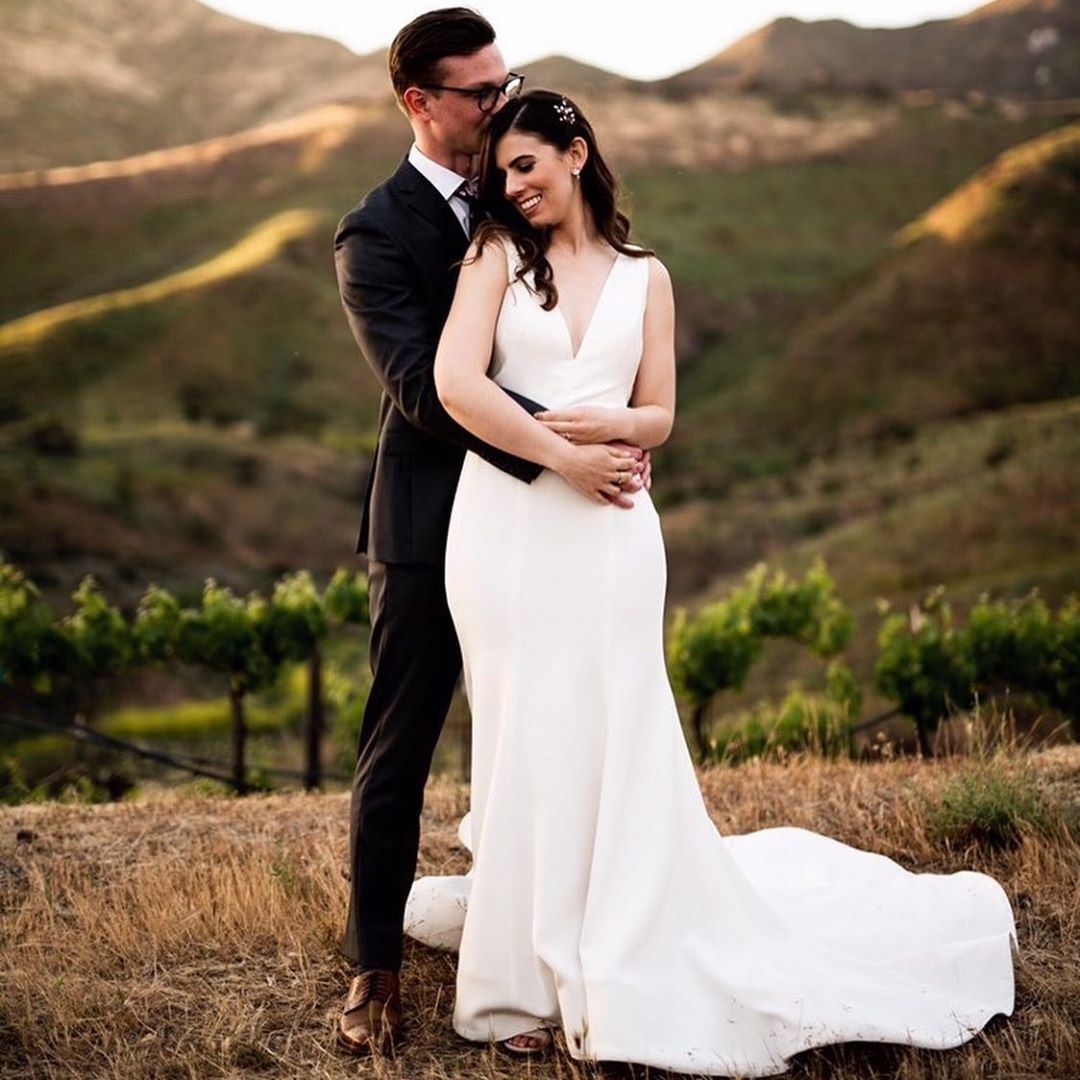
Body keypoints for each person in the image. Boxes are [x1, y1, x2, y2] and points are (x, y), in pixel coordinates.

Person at [401, 87, 1019, 1074]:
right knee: (525, 730)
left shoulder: (648, 276)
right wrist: (564, 457)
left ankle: (624, 940)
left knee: (615, 723)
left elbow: (660, 414)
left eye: (525, 166)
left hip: (613, 530)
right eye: (498, 173)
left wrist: (613, 431)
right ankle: (518, 981)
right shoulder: (491, 259)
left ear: (575, 152)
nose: (510, 188)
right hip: (509, 526)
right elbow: (454, 386)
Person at [331, 8, 650, 1057]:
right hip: (435, 525)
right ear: (419, 103)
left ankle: (556, 939)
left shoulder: (530, 191)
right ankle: (374, 968)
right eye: (479, 91)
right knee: (401, 744)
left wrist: (625, 424)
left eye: (507, 82)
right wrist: (570, 444)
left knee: (545, 732)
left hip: (556, 521)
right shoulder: (374, 234)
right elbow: (426, 391)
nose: (499, 103)